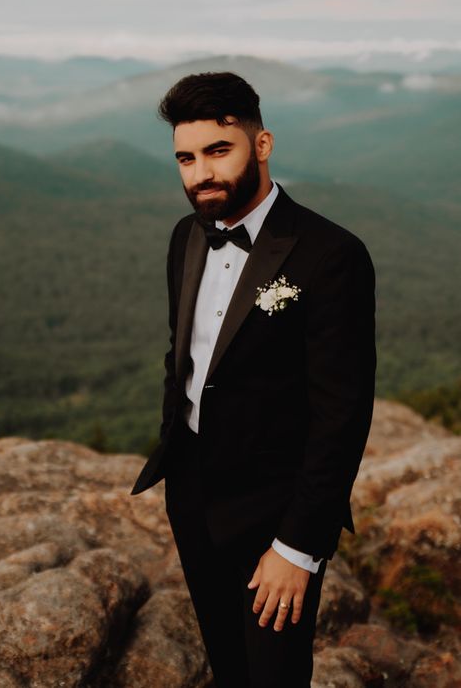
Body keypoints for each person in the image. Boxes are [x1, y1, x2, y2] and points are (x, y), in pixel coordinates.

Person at [131, 71, 376, 688]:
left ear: (261, 145)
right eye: (185, 158)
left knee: (275, 677)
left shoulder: (331, 254)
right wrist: (174, 460)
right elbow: (182, 355)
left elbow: (341, 416)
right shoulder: (186, 237)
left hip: (275, 510)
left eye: (219, 151)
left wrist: (298, 547)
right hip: (191, 495)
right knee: (228, 667)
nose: (200, 174)